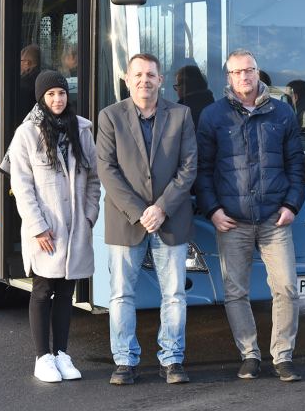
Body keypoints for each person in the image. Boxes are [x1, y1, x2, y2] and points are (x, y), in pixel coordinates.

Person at [195, 49, 305, 382]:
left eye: (250, 70)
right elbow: (203, 170)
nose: (245, 76)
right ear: (228, 78)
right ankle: (249, 355)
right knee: (236, 292)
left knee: (286, 288)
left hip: (275, 219)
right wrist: (213, 210)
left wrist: (292, 204)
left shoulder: (283, 113)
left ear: (258, 73)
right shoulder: (213, 116)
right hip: (232, 219)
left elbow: (296, 165)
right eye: (237, 72)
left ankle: (282, 356)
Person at [96, 53, 198, 386]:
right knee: (122, 294)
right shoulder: (110, 117)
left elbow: (188, 167)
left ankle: (172, 361)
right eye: (138, 74)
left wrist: (162, 208)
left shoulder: (181, 115)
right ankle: (124, 361)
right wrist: (141, 211)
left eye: (151, 75)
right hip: (127, 220)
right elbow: (107, 170)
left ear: (161, 80)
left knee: (174, 295)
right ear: (127, 79)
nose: (144, 80)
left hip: (170, 220)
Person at [1, 70, 101, 383]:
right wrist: (38, 227)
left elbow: (95, 179)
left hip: (76, 228)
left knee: (67, 290)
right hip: (46, 229)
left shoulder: (82, 129)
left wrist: (89, 216)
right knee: (43, 290)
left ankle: (61, 353)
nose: (57, 100)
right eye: (50, 95)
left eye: (61, 93)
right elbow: (22, 185)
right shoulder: (27, 133)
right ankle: (42, 357)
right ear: (41, 98)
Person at [17, 44, 41, 118]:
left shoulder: (24, 83)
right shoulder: (42, 77)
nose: (18, 63)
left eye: (20, 60)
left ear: (27, 63)